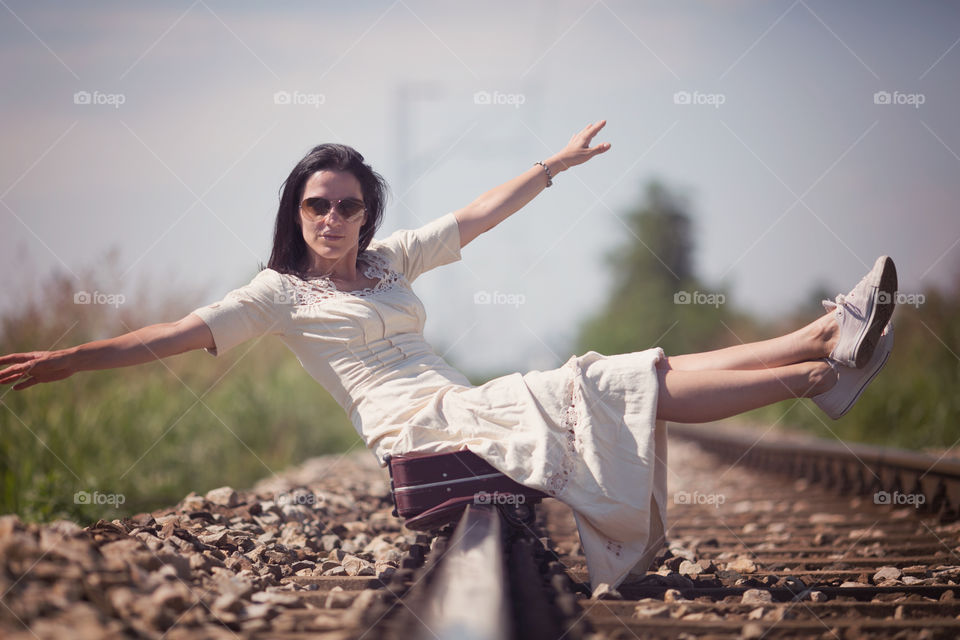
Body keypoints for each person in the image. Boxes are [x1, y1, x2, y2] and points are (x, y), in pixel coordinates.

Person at [0, 120, 897, 594]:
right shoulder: (275, 294)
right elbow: (169, 337)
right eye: (318, 203)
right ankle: (822, 349)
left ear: (366, 215)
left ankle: (821, 363)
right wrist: (69, 360)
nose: (333, 218)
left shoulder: (389, 264)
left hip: (464, 407)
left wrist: (551, 165)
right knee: (607, 382)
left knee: (627, 380)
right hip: (421, 436)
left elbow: (476, 213)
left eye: (349, 205)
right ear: (296, 211)